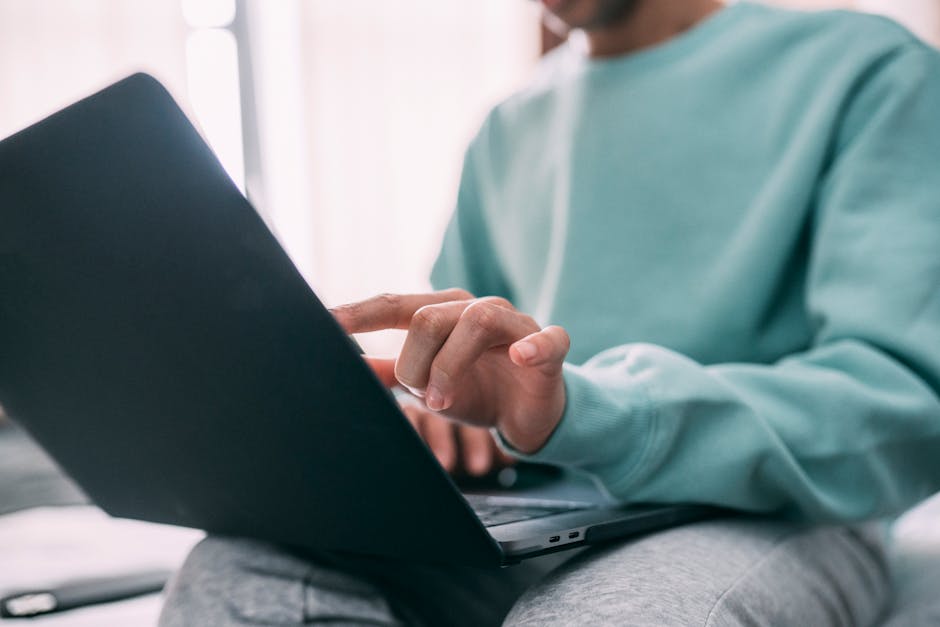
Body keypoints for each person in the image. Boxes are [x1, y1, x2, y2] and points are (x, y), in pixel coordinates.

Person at [161, 0, 940, 624]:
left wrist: (593, 412)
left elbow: (905, 405)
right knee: (236, 575)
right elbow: (465, 383)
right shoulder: (508, 128)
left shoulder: (867, 71)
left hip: (780, 511)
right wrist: (429, 414)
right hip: (532, 507)